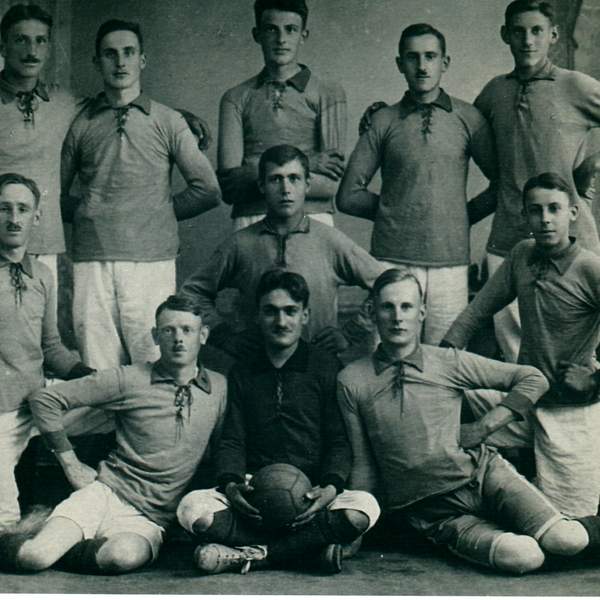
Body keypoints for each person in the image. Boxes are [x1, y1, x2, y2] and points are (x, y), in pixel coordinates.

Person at [338, 268, 600, 574]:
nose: (398, 317)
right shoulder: (352, 380)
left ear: (421, 313)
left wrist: (483, 427)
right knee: (523, 556)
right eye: (388, 307)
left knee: (566, 539)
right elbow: (364, 464)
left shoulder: (447, 362)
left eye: (406, 307)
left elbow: (533, 379)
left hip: (485, 477)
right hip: (434, 512)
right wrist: (356, 529)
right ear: (373, 312)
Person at [0, 295, 227, 574]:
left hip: (149, 518)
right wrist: (70, 464)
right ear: (156, 336)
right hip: (103, 494)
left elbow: (221, 449)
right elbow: (44, 400)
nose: (178, 339)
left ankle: (50, 535)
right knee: (34, 558)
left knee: (121, 557)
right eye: (168, 330)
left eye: (187, 330)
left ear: (203, 335)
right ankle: (39, 538)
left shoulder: (219, 388)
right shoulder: (129, 378)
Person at [177, 270, 380, 575]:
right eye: (270, 311)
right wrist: (232, 486)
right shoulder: (243, 370)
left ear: (305, 315)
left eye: (290, 311)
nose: (281, 321)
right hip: (254, 493)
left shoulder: (325, 366)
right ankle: (305, 550)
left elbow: (338, 440)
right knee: (191, 509)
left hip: (310, 493)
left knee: (364, 509)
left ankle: (258, 554)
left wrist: (329, 487)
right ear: (257, 316)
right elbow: (232, 439)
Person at [60, 19, 221, 371]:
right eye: (110, 54)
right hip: (92, 258)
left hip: (150, 260)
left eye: (129, 52)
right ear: (97, 62)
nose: (120, 62)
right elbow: (55, 193)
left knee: (152, 359)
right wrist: (91, 213)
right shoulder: (81, 123)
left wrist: (156, 212)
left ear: (142, 60)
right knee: (98, 365)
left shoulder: (168, 121)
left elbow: (207, 190)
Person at [443, 172, 600, 518]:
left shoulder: (590, 268)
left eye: (554, 209)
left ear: (573, 213)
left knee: (572, 525)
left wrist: (593, 381)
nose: (545, 219)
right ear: (525, 215)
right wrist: (438, 362)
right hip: (524, 401)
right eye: (536, 210)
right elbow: (477, 311)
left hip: (568, 411)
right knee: (443, 402)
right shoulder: (522, 255)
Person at [336, 23, 497, 344]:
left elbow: (502, 185)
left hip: (450, 262)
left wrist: (460, 217)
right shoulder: (383, 120)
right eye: (412, 57)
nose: (422, 66)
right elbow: (348, 196)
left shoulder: (469, 118)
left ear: (445, 62)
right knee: (385, 354)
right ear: (400, 64)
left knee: (445, 357)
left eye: (430, 56)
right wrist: (395, 211)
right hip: (391, 259)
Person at [473, 0, 600, 361]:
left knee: (577, 349)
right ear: (505, 35)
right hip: (507, 240)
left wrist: (594, 163)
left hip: (570, 240)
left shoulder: (575, 86)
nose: (527, 40)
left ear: (553, 36)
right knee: (515, 350)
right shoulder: (495, 92)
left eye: (537, 31)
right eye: (518, 31)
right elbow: (459, 127)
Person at [179, 144, 384, 358]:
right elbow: (192, 292)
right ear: (262, 186)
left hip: (316, 365)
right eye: (276, 179)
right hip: (256, 365)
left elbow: (387, 284)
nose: (286, 189)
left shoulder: (330, 241)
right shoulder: (240, 243)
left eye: (294, 178)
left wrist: (350, 333)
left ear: (307, 184)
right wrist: (223, 335)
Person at [0, 173, 96, 531]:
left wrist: (91, 378)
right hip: (1, 412)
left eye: (23, 209)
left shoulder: (42, 275)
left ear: (36, 217)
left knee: (118, 407)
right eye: (4, 208)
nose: (14, 218)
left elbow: (51, 347)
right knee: (6, 519)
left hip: (38, 405)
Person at [218, 0, 346, 231]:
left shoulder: (328, 92)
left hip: (313, 220)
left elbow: (329, 185)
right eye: (271, 29)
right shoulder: (235, 98)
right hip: (252, 220)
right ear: (257, 35)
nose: (281, 39)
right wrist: (309, 162)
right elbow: (231, 187)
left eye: (290, 29)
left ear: (303, 35)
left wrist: (255, 173)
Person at [0, 4, 87, 286]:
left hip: (44, 242)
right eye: (21, 40)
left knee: (40, 314)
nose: (31, 50)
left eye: (40, 41)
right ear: (2, 46)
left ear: (49, 48)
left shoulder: (64, 102)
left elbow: (114, 105)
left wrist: (181, 118)